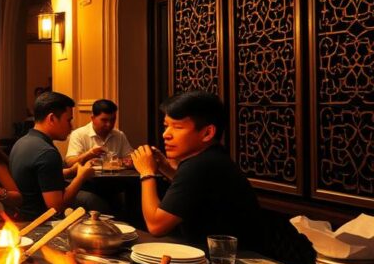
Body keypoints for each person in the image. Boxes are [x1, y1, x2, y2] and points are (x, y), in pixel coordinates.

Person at [130, 91, 262, 247]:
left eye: (177, 127)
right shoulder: (212, 157)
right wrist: (165, 168)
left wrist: (146, 173)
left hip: (232, 263)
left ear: (207, 133)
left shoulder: (199, 166)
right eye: (166, 126)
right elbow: (195, 191)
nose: (166, 135)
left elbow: (156, 226)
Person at [8, 91, 94, 218]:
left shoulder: (22, 142)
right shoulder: (47, 153)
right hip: (40, 224)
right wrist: (81, 177)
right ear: (52, 118)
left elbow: (37, 177)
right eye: (68, 120)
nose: (71, 126)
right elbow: (56, 207)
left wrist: (70, 171)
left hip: (21, 217)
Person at [65, 99, 134, 166]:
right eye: (104, 120)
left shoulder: (119, 135)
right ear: (92, 118)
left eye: (112, 120)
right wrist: (89, 154)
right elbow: (70, 163)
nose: (109, 124)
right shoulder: (78, 134)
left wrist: (126, 161)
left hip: (116, 176)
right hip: (88, 177)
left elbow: (130, 157)